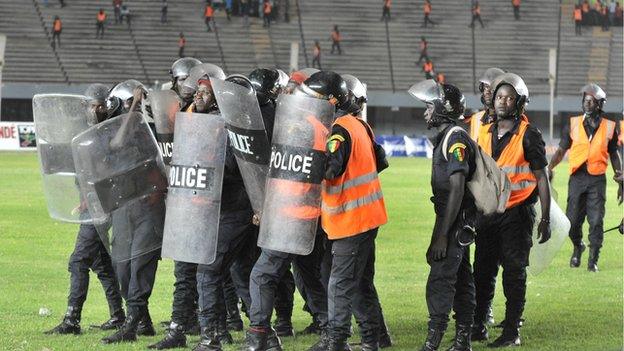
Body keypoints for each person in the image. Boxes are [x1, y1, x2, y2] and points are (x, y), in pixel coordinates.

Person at [243, 71, 351, 351]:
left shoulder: (300, 126)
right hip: (312, 215)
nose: (289, 96)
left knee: (262, 274)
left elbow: (292, 175)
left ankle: (261, 337)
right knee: (309, 274)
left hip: (292, 214)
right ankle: (330, 330)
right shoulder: (319, 125)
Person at [306, 72, 388, 351]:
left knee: (339, 283)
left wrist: (309, 158)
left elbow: (331, 169)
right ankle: (373, 339)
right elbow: (381, 161)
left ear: (331, 100)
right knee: (360, 282)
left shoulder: (338, 130)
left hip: (350, 220)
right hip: (366, 216)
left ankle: (336, 341)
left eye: (315, 98)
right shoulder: (359, 125)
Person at [472, 73, 551, 348]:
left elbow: (542, 177)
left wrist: (546, 217)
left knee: (514, 272)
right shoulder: (484, 131)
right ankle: (479, 325)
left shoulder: (529, 135)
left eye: (509, 97)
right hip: (489, 212)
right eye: (499, 97)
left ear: (519, 103)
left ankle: (512, 331)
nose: (503, 101)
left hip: (517, 213)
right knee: (482, 270)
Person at [44, 84, 126, 336]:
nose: (96, 110)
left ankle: (72, 320)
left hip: (102, 208)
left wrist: (92, 200)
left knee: (78, 261)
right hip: (90, 204)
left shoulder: (108, 133)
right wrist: (84, 198)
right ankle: (118, 316)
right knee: (101, 263)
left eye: (100, 106)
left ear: (107, 107)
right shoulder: (89, 132)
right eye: (92, 105)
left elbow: (108, 174)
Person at [408, 79, 476, 351]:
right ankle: (463, 341)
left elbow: (457, 189)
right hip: (454, 218)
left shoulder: (455, 138)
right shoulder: (450, 135)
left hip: (455, 220)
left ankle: (433, 341)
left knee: (441, 279)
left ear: (442, 109)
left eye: (428, 107)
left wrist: (442, 237)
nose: (425, 113)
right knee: (460, 278)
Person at [192, 75, 257, 351]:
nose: (198, 96)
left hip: (233, 208)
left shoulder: (229, 126)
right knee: (242, 273)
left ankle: (210, 339)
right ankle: (261, 334)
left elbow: (230, 167)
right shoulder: (241, 121)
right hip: (238, 209)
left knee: (208, 271)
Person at [98, 80, 166, 344]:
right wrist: (133, 109)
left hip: (148, 208)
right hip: (124, 208)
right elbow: (116, 145)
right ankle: (143, 320)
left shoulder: (150, 128)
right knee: (122, 266)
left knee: (140, 265)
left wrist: (139, 107)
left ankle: (131, 324)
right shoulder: (110, 132)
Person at [547, 83, 621, 272]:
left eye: (591, 101)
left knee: (596, 221)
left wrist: (620, 176)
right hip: (577, 178)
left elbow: (614, 153)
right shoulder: (572, 124)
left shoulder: (610, 126)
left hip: (597, 179)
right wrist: (549, 167)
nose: (587, 104)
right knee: (572, 221)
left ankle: (593, 259)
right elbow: (561, 150)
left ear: (599, 104)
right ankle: (578, 245)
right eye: (585, 100)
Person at [465, 67, 505, 141]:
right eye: (486, 87)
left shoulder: (511, 120)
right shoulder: (476, 119)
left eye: (492, 87)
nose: (487, 91)